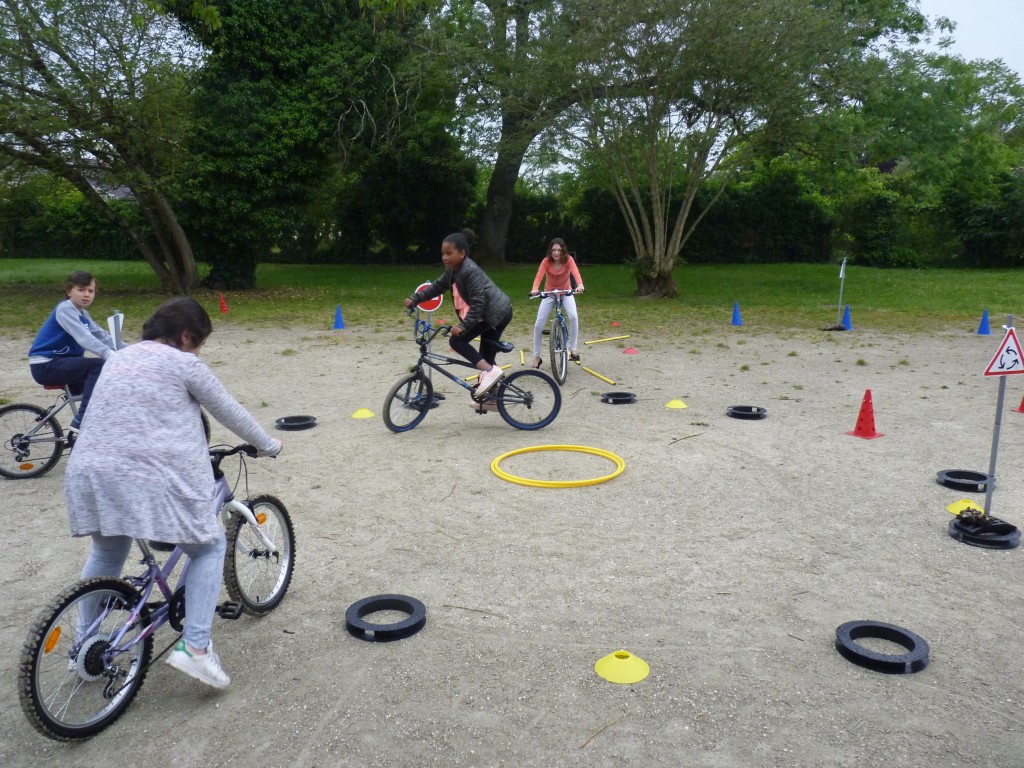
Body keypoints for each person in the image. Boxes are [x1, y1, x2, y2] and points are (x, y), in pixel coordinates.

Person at [64, 297, 283, 690]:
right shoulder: (184, 363)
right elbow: (228, 410)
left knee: (108, 548)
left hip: (90, 469)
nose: (198, 351)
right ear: (186, 336)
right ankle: (196, 648)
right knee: (209, 545)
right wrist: (268, 444)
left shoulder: (119, 357)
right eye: (199, 343)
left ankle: (85, 642)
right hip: (147, 475)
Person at [404, 230, 513, 408]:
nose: (445, 257)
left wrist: (463, 326)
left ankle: (491, 375)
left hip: (497, 315)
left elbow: (479, 303)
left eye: (449, 253)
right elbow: (437, 287)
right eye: (443, 253)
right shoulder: (452, 271)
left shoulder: (470, 271)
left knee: (457, 341)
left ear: (461, 254)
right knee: (485, 357)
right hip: (488, 315)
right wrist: (415, 298)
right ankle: (493, 399)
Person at [28, 271, 118, 431]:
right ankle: (82, 419)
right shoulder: (65, 309)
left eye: (91, 291)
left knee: (103, 389)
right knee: (98, 366)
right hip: (46, 365)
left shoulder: (83, 314)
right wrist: (109, 354)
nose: (86, 295)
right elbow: (83, 337)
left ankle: (92, 428)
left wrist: (132, 350)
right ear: (69, 291)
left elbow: (103, 337)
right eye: (81, 290)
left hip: (59, 363)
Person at [529, 238, 584, 368]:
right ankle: (537, 356)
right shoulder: (546, 262)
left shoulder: (569, 260)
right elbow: (538, 276)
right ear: (550, 251)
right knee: (538, 324)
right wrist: (535, 289)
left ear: (563, 250)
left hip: (566, 292)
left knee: (573, 316)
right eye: (553, 250)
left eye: (559, 250)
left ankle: (573, 349)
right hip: (550, 293)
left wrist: (580, 284)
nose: (556, 253)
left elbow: (576, 272)